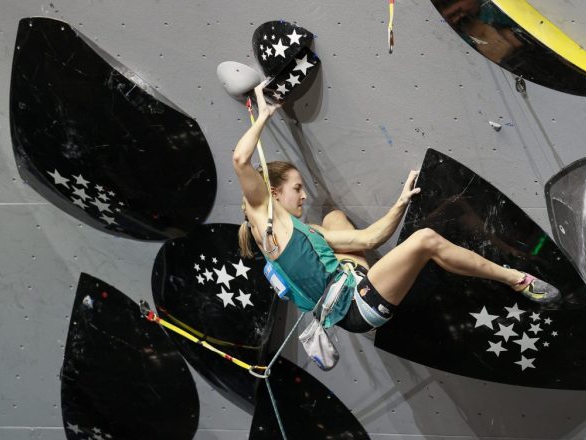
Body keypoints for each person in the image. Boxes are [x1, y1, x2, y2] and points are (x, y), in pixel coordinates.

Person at [233, 83, 560, 333]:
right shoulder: (268, 224)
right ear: (273, 193)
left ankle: (482, 251)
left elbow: (367, 241)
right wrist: (263, 115)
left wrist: (401, 204)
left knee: (334, 217)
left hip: (351, 282)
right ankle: (517, 279)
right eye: (297, 189)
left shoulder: (307, 231)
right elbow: (240, 159)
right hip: (357, 307)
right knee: (425, 240)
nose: (304, 196)